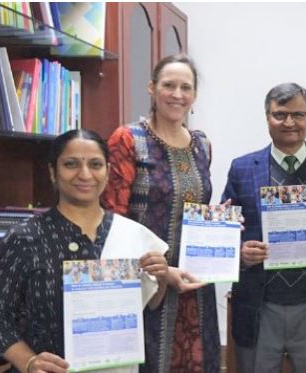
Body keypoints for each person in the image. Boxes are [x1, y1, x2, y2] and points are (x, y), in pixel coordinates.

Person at [0, 129, 169, 373]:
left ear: (108, 172)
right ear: (52, 172)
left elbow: (150, 304)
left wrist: (161, 280)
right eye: (71, 164)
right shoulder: (24, 239)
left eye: (95, 164)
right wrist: (29, 362)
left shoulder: (133, 234)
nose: (85, 174)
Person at [221, 82, 306, 373]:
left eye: (298, 114)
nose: (290, 122)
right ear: (267, 116)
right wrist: (241, 253)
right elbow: (224, 237)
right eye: (280, 115)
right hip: (259, 305)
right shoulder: (242, 168)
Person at [102, 54, 220, 373]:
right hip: (143, 283)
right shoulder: (128, 139)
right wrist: (164, 273)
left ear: (194, 96)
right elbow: (111, 222)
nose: (177, 94)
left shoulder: (202, 145)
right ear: (152, 89)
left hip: (195, 286)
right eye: (169, 85)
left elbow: (197, 209)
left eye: (186, 87)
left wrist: (222, 224)